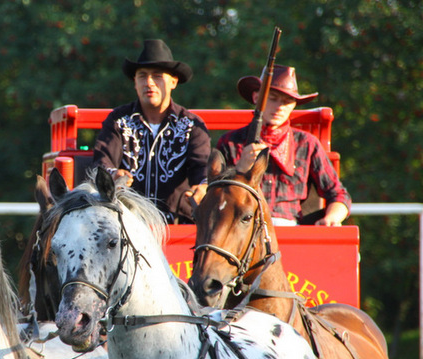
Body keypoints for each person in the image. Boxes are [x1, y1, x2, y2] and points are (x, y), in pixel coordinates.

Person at [216, 65, 352, 226]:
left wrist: (332, 218)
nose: (279, 107)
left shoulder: (307, 143)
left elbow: (338, 194)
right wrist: (241, 170)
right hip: (241, 228)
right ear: (256, 98)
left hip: (290, 229)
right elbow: (215, 197)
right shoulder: (230, 142)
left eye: (287, 102)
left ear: (294, 105)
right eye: (273, 99)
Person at [92, 39, 211, 224]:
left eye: (157, 76)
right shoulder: (118, 121)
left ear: (173, 81)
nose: (149, 82)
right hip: (127, 226)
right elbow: (102, 162)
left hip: (178, 228)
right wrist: (114, 175)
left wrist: (203, 188)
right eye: (142, 76)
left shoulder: (192, 125)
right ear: (135, 82)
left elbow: (202, 170)